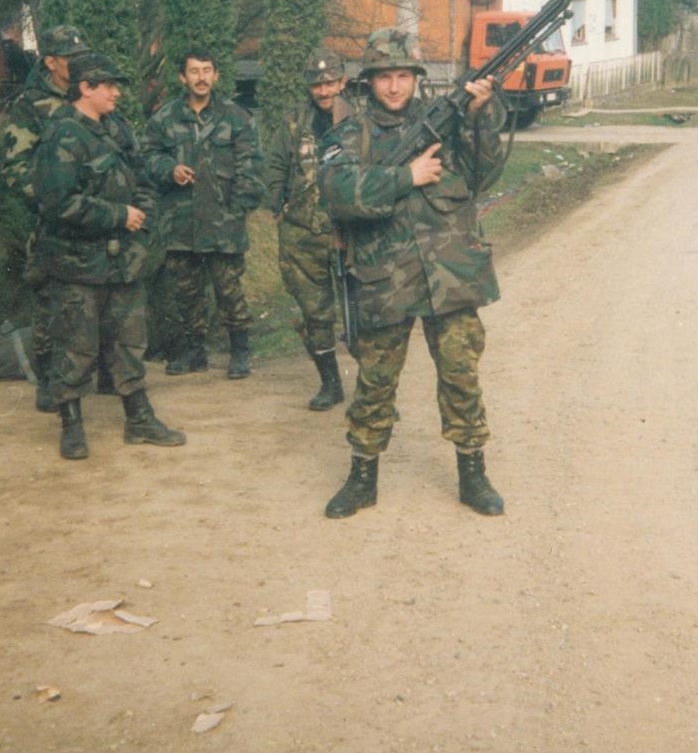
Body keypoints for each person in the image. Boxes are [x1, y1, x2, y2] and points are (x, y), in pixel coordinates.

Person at [317, 28, 506, 518]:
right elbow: (337, 191)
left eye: (403, 75)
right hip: (385, 279)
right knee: (375, 382)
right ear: (369, 81)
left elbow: (483, 172)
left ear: (416, 78)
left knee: (461, 375)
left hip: (450, 273)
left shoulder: (447, 120)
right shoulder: (349, 134)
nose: (395, 86)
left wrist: (481, 115)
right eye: (385, 77)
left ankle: (473, 474)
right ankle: (362, 478)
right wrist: (407, 177)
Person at [31, 53, 185, 460]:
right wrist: (118, 215)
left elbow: (143, 177)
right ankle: (71, 426)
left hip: (123, 262)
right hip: (78, 264)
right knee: (76, 346)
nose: (117, 93)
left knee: (130, 342)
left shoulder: (117, 128)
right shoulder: (63, 135)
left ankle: (139, 419)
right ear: (85, 88)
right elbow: (58, 204)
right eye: (109, 85)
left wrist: (143, 216)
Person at [141, 47, 265, 379]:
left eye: (207, 70)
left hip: (223, 221)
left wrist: (237, 212)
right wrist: (169, 169)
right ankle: (194, 351)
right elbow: (147, 157)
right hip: (180, 222)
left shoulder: (237, 117)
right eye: (194, 71)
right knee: (186, 292)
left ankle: (240, 351)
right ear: (182, 77)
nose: (201, 77)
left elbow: (251, 168)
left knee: (229, 290)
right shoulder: (164, 119)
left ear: (216, 75)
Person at [2, 24, 92, 410]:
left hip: (94, 218)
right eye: (70, 59)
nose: (78, 64)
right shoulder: (31, 106)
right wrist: (49, 201)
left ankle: (104, 374)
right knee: (50, 304)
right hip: (53, 222)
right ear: (51, 62)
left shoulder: (90, 96)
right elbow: (14, 166)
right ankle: (47, 380)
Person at [265, 47, 350, 410]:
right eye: (316, 84)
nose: (324, 91)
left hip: (350, 234)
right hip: (302, 235)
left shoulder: (359, 119)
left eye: (330, 82)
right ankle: (330, 384)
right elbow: (274, 167)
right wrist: (279, 210)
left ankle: (375, 389)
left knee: (362, 311)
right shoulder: (293, 122)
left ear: (342, 82)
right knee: (316, 313)